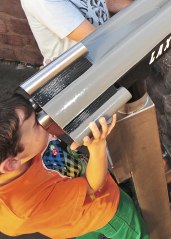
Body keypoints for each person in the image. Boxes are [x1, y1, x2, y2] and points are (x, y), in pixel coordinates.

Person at [0, 93, 149, 239]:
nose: (42, 121)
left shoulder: (19, 148)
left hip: (72, 222)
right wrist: (98, 148)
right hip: (104, 212)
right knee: (134, 233)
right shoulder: (25, 208)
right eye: (35, 125)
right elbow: (92, 185)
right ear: (11, 164)